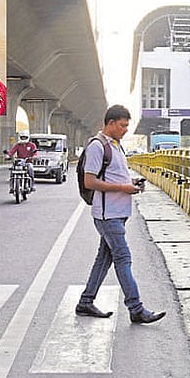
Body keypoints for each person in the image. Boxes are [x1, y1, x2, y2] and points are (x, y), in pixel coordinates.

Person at [75, 105, 166, 324]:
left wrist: (130, 183)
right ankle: (136, 308)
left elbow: (114, 176)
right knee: (123, 257)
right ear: (111, 123)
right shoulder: (98, 146)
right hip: (107, 215)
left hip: (117, 212)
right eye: (123, 125)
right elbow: (90, 181)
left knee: (104, 258)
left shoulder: (116, 146)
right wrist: (123, 188)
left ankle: (86, 302)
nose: (126, 129)